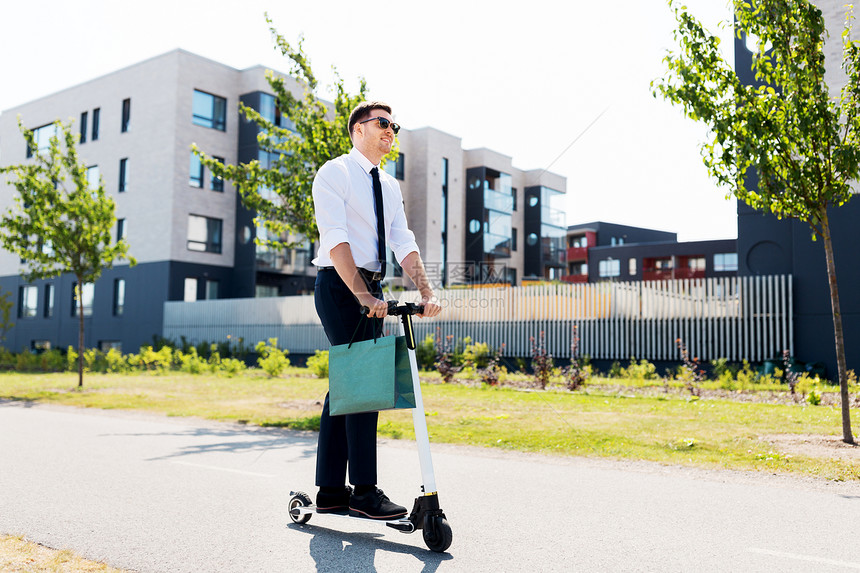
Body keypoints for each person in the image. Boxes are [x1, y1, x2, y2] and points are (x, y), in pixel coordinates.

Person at [311, 101, 442, 520]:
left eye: (394, 125)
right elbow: (335, 238)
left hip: (372, 288)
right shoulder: (334, 172)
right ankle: (364, 492)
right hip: (338, 283)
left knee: (350, 383)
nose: (390, 130)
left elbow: (402, 240)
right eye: (382, 123)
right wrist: (361, 295)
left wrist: (426, 289)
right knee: (364, 382)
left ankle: (331, 492)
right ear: (357, 130)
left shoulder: (388, 184)